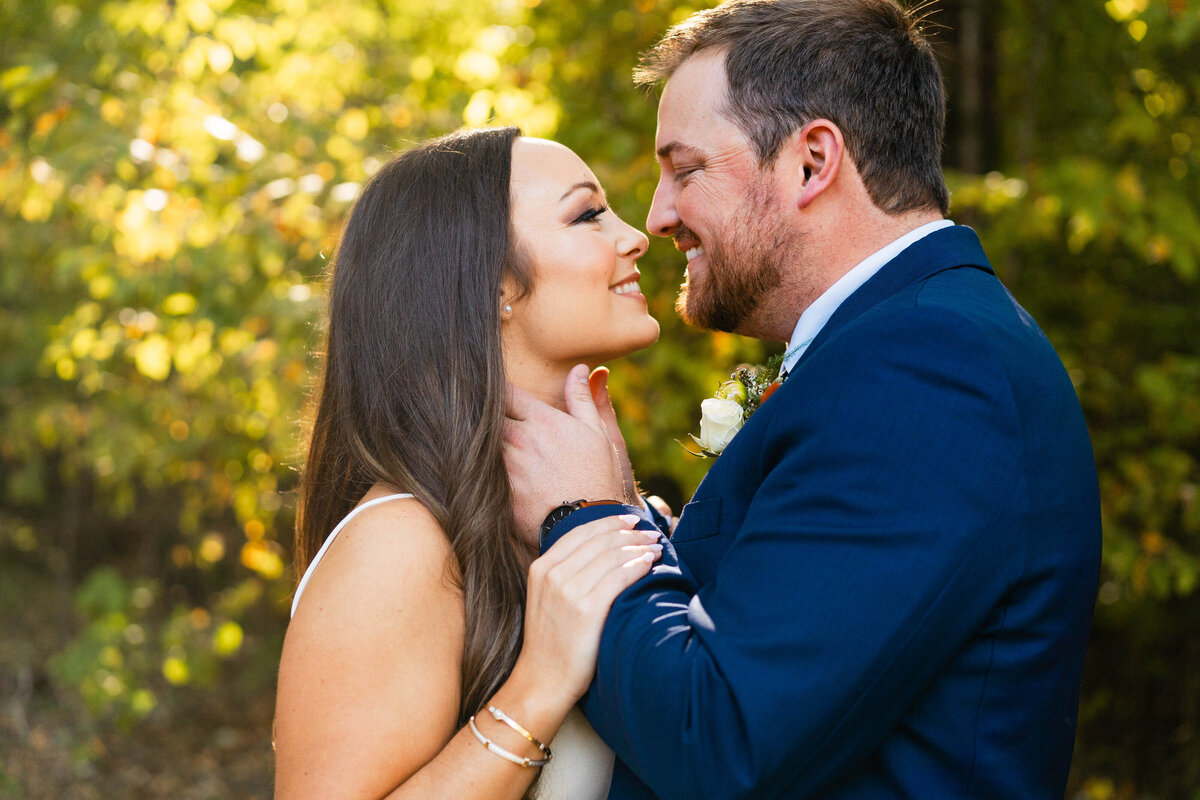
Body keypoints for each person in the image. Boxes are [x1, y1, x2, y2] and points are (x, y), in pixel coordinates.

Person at [502, 0, 1103, 797]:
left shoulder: (926, 371)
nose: (658, 216)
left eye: (685, 169)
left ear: (812, 162)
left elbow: (720, 742)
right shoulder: (904, 347)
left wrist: (580, 517)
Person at [274, 126, 665, 799]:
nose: (636, 236)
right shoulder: (400, 544)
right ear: (492, 283)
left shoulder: (584, 506)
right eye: (587, 214)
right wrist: (542, 679)